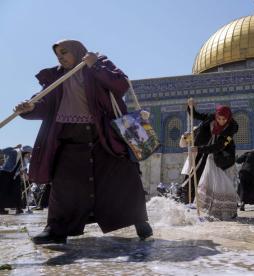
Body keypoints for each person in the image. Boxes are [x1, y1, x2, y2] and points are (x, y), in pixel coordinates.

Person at [14, 40, 152, 244]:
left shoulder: (98, 64)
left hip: (104, 137)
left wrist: (95, 65)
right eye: (57, 54)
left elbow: (120, 84)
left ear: (78, 51)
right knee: (64, 184)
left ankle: (139, 220)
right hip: (69, 138)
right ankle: (56, 229)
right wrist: (29, 108)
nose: (60, 57)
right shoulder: (56, 77)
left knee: (122, 179)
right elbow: (45, 103)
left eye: (64, 52)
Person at [187, 99, 238, 220]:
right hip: (211, 156)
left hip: (224, 158)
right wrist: (190, 107)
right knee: (209, 182)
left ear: (228, 119)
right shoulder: (211, 117)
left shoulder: (231, 128)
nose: (221, 121)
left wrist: (200, 149)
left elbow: (219, 146)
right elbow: (197, 115)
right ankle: (210, 208)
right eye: (219, 119)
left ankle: (230, 210)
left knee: (224, 184)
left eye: (224, 119)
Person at [0, 145, 25, 215]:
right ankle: (1, 209)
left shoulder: (24, 158)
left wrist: (21, 171)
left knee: (16, 190)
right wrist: (14, 147)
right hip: (5, 173)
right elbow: (2, 151)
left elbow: (22, 167)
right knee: (3, 191)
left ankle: (18, 208)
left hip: (15, 175)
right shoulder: (15, 152)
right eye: (28, 153)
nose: (29, 155)